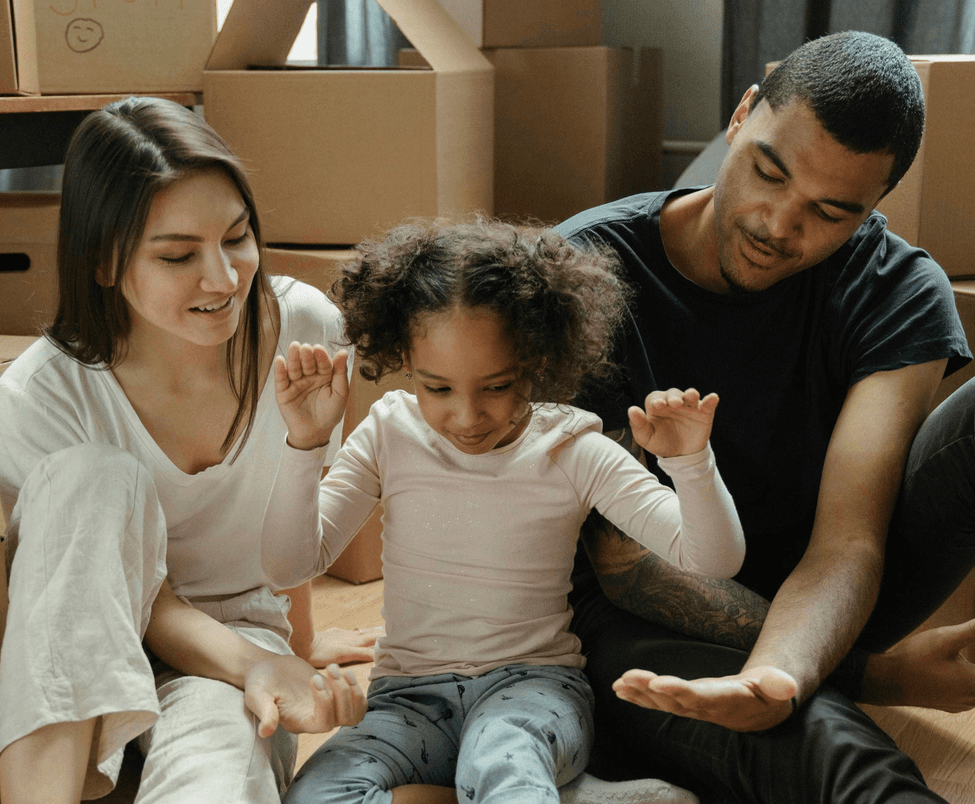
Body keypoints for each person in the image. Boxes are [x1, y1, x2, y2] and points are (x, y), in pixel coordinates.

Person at [556, 30, 975, 803]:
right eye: (768, 172)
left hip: (826, 594)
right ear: (741, 116)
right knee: (840, 758)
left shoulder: (899, 288)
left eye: (830, 211)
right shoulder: (584, 270)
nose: (779, 225)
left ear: (876, 205)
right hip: (637, 617)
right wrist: (866, 676)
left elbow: (849, 540)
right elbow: (626, 567)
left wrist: (789, 665)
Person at [259, 218, 750, 804]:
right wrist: (305, 445)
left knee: (499, 760)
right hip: (407, 698)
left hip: (535, 691)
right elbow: (288, 566)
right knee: (314, 795)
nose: (467, 417)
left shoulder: (573, 448)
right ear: (405, 362)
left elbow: (713, 559)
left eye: (497, 386)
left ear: (539, 360)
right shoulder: (388, 432)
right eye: (437, 388)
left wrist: (691, 464)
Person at [0, 97, 375, 804]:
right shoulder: (42, 393)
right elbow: (96, 604)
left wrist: (291, 651)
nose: (225, 279)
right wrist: (258, 664)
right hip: (88, 641)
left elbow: (296, 510)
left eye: (236, 238)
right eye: (178, 255)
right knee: (90, 478)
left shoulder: (305, 328)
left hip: (228, 655)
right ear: (103, 261)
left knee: (218, 771)